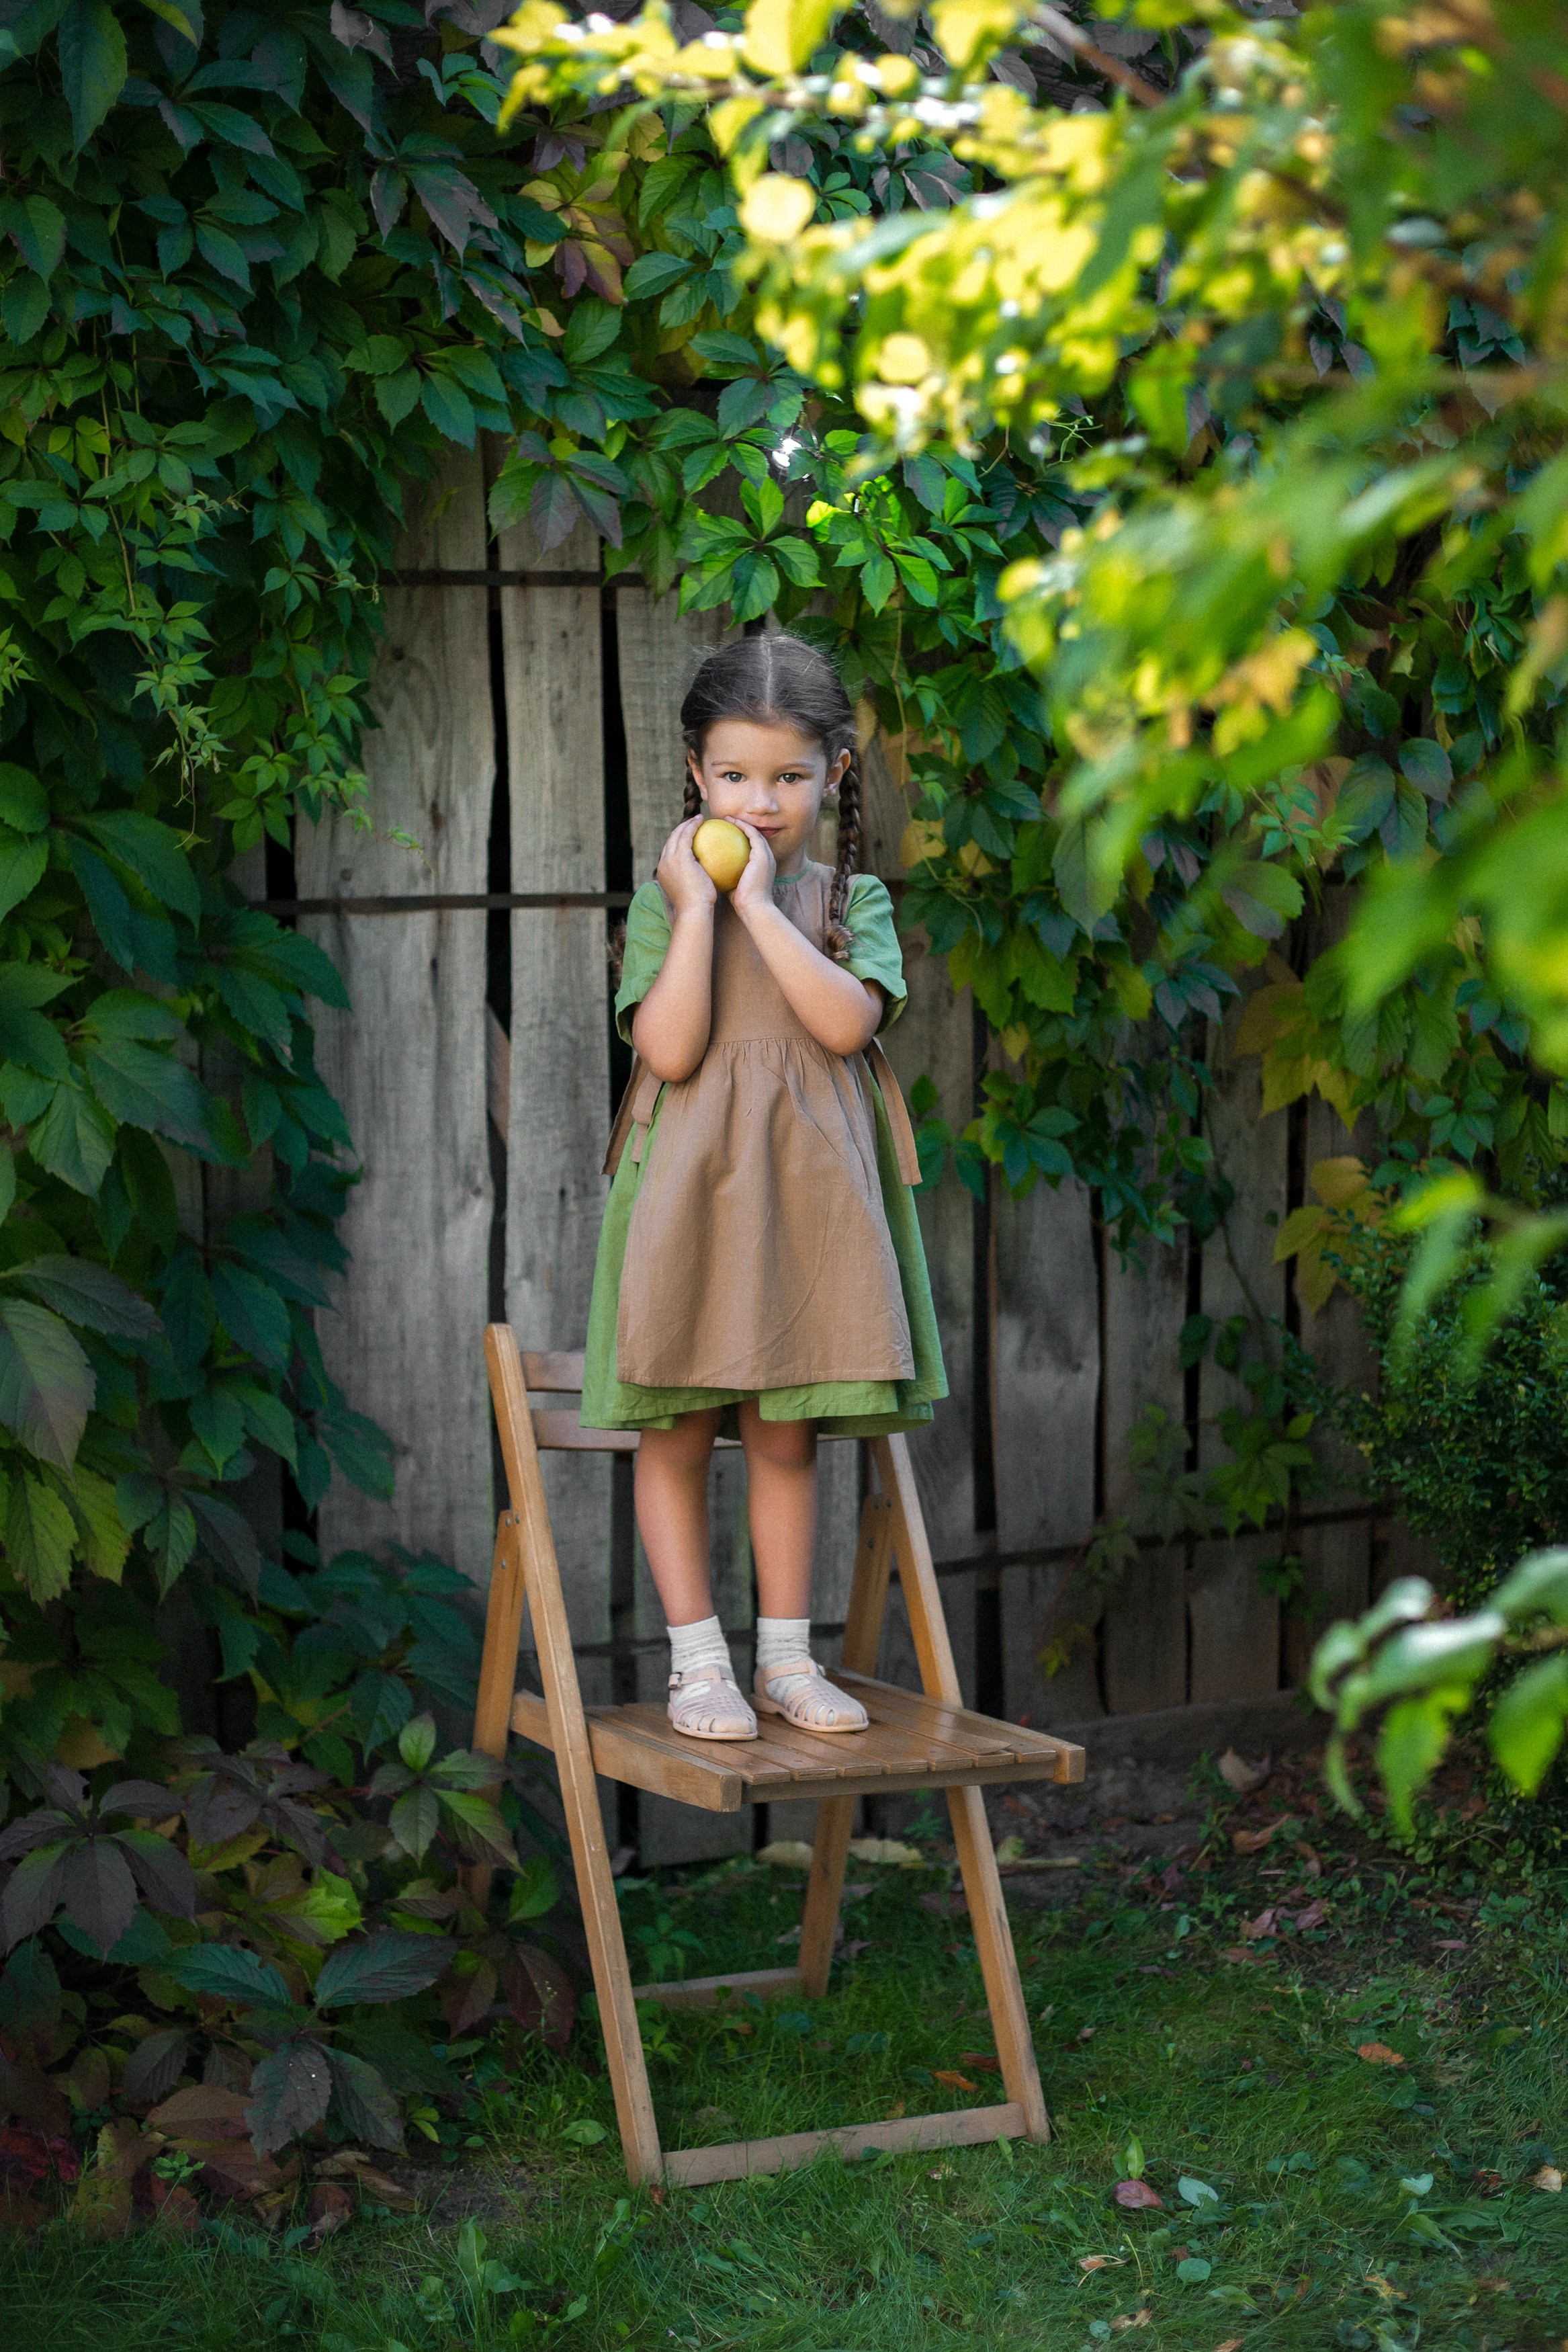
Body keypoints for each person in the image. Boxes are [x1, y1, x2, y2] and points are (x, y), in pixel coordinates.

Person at [582, 632, 946, 1741]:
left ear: (835, 771)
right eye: (734, 776)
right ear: (695, 772)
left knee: (784, 1435)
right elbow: (673, 1051)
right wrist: (696, 907)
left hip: (808, 1206)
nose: (760, 802)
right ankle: (701, 1667)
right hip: (687, 1194)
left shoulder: (850, 899)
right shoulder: (666, 903)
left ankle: (788, 1661)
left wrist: (755, 904)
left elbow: (843, 1024)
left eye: (789, 777)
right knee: (679, 1429)